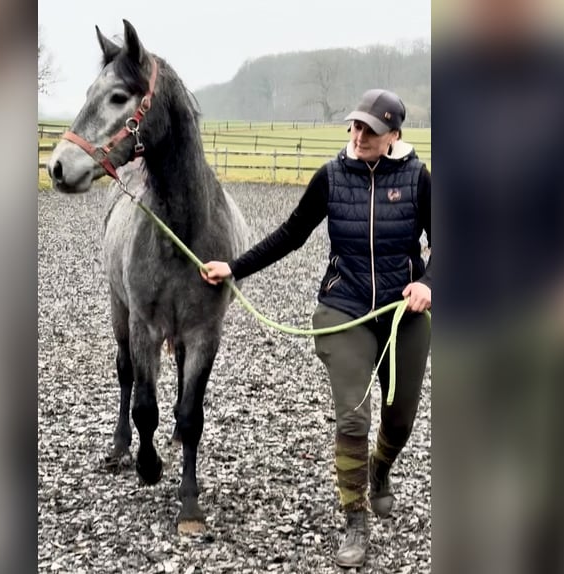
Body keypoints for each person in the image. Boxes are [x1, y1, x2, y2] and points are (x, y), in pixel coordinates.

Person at [201, 89, 432, 568]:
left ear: (394, 135)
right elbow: (290, 234)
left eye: (371, 128)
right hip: (342, 308)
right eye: (355, 125)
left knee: (401, 419)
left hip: (402, 313)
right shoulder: (331, 176)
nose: (359, 135)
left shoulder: (417, 178)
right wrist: (235, 267)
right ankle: (355, 520)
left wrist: (429, 283)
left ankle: (379, 469)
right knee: (353, 417)